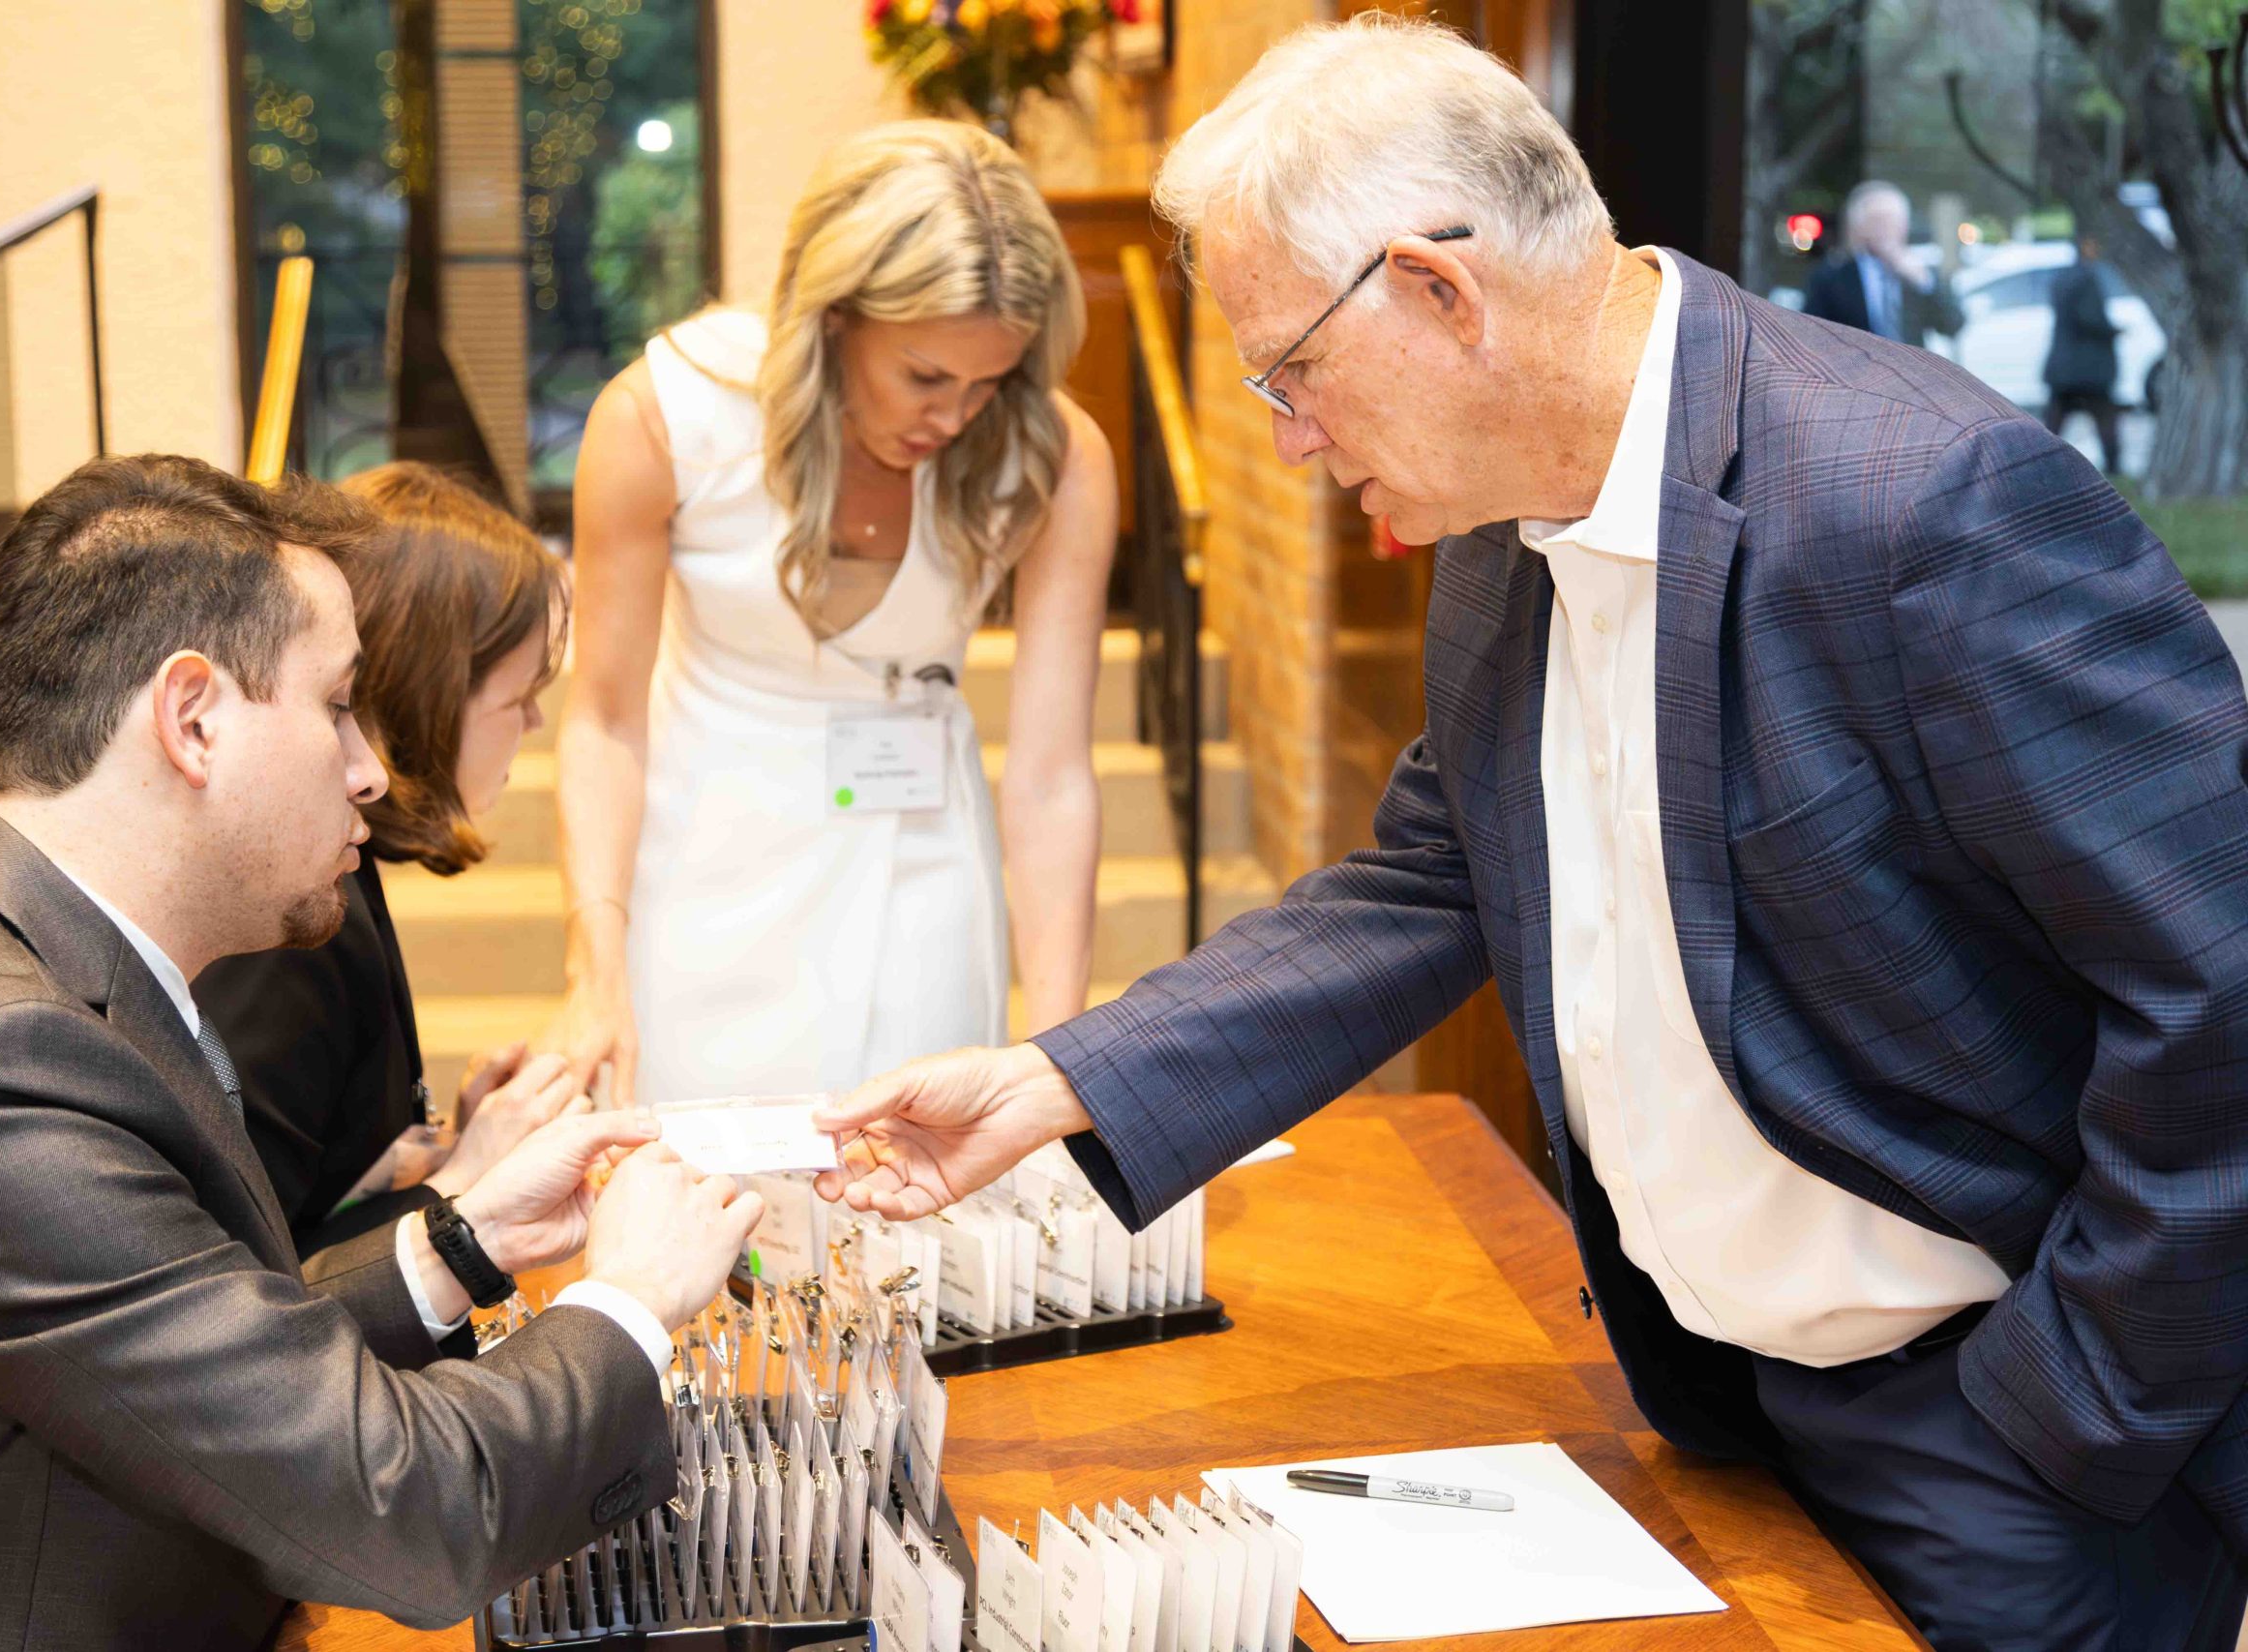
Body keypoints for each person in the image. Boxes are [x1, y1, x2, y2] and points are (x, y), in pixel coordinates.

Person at [812, 18, 2248, 1651]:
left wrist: (2066, 1410)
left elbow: (2222, 993)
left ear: (1440, 291)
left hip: (1998, 1438)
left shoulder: (1928, 505)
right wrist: (1055, 1079)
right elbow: (1431, 877)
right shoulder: (1502, 537)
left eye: (1291, 371)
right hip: (1720, 1398)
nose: (1288, 437)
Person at [0, 455, 764, 1650]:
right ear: (192, 720)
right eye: (338, 705)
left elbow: (208, 1346)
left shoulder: (12, 957)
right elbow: (411, 1514)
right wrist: (631, 1299)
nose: (371, 769)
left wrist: (463, 1241)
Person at [548, 119, 1118, 1106]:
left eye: (988, 383)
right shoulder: (665, 418)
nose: (954, 417)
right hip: (704, 856)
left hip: (920, 851)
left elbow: (1051, 775)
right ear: (836, 318)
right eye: (925, 376)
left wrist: (1056, 1057)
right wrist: (594, 963)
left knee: (918, 1161)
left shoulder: (1054, 456)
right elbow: (602, 722)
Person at [198, 462, 582, 1277]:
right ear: (428, 699)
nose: (534, 721)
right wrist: (467, 1176)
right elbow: (239, 1274)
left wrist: (451, 1148)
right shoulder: (292, 927)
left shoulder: (338, 878)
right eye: (518, 696)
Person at [1801, 179, 1963, 347]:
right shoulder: (1832, 275)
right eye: (1878, 220)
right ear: (1859, 226)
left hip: (1909, 363)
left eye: (1894, 220)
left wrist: (1924, 282)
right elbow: (1813, 334)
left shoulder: (1921, 270)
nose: (1887, 228)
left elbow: (1952, 326)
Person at [2043, 236, 2125, 477]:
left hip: (2064, 364)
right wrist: (2113, 331)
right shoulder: (2087, 279)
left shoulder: (2062, 278)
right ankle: (2114, 466)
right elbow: (2090, 318)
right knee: (2104, 415)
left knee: (2055, 421)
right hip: (2089, 364)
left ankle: (2042, 463)